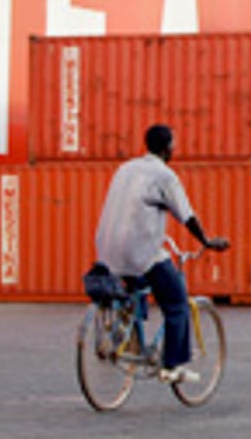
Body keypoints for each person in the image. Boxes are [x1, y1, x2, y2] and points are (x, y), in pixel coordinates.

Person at [93, 124, 229, 384]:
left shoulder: (125, 169)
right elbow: (186, 215)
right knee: (177, 300)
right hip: (138, 252)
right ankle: (171, 366)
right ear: (168, 148)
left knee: (137, 283)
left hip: (106, 249)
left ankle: (129, 325)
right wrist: (207, 241)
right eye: (174, 144)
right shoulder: (164, 176)